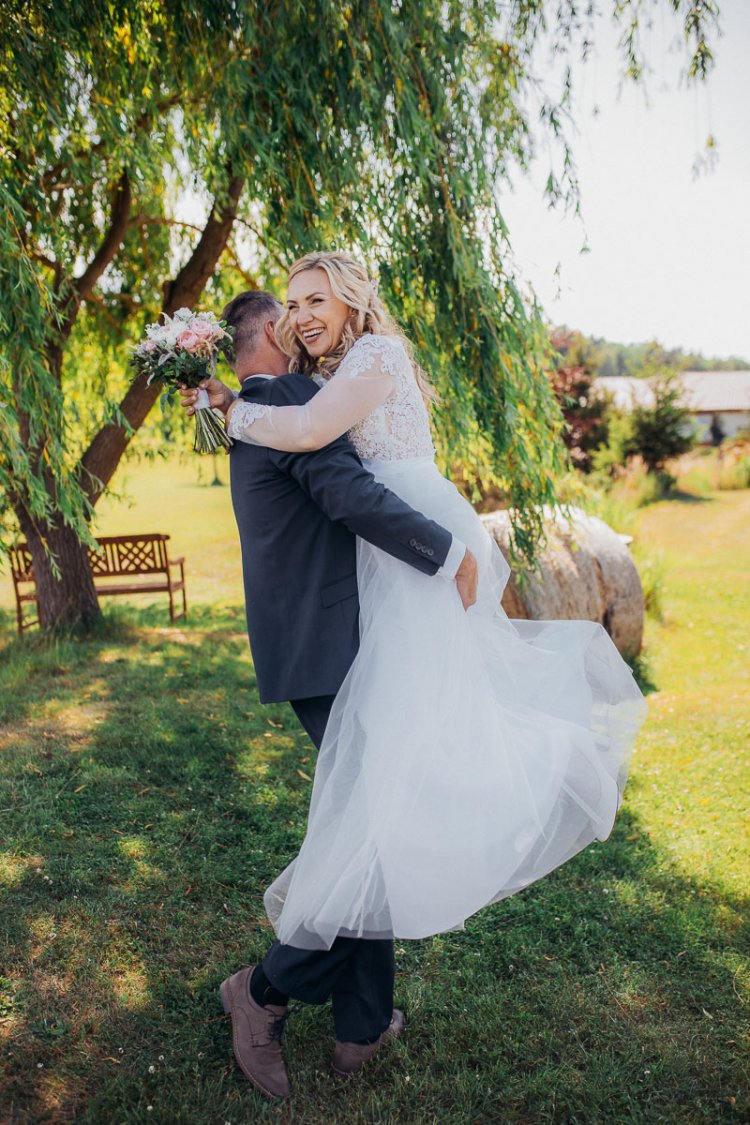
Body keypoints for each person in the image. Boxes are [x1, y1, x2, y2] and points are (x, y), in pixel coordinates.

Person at [189, 251, 648, 960]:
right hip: (387, 553)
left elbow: (309, 433)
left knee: (428, 726)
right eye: (293, 305)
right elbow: (309, 432)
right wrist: (235, 403)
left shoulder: (375, 353)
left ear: (351, 300)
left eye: (316, 301)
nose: (303, 316)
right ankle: (355, 993)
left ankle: (558, 758)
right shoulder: (320, 375)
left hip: (421, 540)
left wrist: (232, 408)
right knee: (420, 726)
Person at [179, 288, 477, 1100]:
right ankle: (265, 990)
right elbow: (349, 495)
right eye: (294, 321)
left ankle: (362, 1021)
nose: (308, 338)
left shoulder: (252, 410)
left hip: (309, 643)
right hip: (336, 644)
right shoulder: (291, 401)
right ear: (270, 336)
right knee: (375, 838)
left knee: (372, 824)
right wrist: (446, 549)